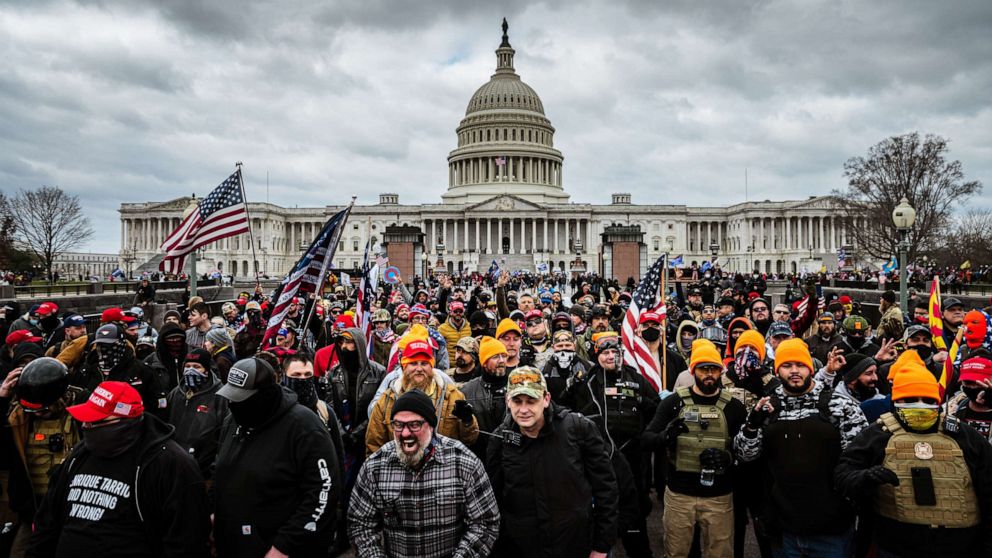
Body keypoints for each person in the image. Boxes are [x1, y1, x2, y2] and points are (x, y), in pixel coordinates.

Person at [29, 381, 211, 557]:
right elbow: (48, 521)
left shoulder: (170, 463)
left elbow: (187, 541)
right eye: (85, 420)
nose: (85, 426)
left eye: (95, 421)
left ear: (125, 422)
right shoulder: (80, 454)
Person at [834, 359, 992, 557]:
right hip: (896, 547)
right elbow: (843, 476)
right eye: (909, 400)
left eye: (928, 401)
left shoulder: (965, 436)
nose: (919, 406)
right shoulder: (877, 435)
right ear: (896, 401)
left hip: (960, 548)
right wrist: (865, 478)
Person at [735, 338, 868, 557]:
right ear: (778, 371)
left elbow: (857, 462)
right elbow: (745, 455)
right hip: (784, 529)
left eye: (800, 365)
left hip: (831, 530)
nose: (794, 371)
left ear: (810, 367)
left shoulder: (840, 406)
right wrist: (752, 425)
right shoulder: (767, 407)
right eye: (787, 366)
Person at [348, 389, 501, 558]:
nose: (405, 433)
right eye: (398, 425)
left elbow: (485, 522)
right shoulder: (375, 467)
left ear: (431, 425)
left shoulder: (463, 462)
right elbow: (360, 525)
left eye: (414, 424)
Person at [213, 357, 340, 557]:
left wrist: (284, 546)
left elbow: (323, 491)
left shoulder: (304, 427)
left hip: (280, 549)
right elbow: (223, 469)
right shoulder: (233, 420)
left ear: (264, 395)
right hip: (234, 543)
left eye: (242, 398)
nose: (234, 404)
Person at [486, 367, 618, 557]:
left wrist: (601, 547)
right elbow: (495, 500)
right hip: (523, 547)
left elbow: (606, 490)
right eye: (517, 401)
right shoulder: (500, 440)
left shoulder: (578, 429)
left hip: (575, 545)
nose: (524, 410)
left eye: (531, 401)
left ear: (546, 399)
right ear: (508, 401)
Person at [643, 339, 746, 558]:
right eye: (703, 369)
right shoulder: (672, 403)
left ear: (721, 371)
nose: (709, 374)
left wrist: (727, 458)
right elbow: (647, 440)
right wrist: (666, 436)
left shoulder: (734, 407)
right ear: (693, 370)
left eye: (714, 369)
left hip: (719, 496)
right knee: (676, 551)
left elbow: (747, 449)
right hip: (680, 494)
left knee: (720, 553)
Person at [0, 357, 84, 556]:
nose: (37, 414)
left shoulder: (81, 412)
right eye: (32, 410)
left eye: (43, 410)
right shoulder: (18, 418)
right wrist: (1, 400)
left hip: (73, 514)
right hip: (34, 513)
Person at [365, 339, 478, 455]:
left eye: (424, 363)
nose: (419, 369)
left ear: (432, 366)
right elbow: (374, 446)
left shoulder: (453, 397)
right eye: (413, 363)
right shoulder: (387, 400)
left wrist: (468, 421)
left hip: (443, 469)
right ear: (404, 366)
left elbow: (470, 440)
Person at [165, 348, 229, 479]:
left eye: (196, 366)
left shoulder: (220, 396)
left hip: (203, 469)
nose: (190, 370)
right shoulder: (176, 393)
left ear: (206, 369)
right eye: (187, 366)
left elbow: (224, 433)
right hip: (174, 464)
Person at [86, 324, 165, 419]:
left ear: (122, 344)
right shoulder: (88, 370)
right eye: (101, 345)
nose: (105, 350)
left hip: (132, 426)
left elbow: (157, 406)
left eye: (111, 345)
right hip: (96, 426)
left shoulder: (142, 371)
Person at [460, 336, 509, 459]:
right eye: (495, 357)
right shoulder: (467, 391)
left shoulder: (518, 385)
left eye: (504, 356)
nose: (501, 360)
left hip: (511, 457)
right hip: (479, 456)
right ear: (484, 362)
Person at [438, 300, 471, 368]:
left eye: (460, 311)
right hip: (449, 366)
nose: (458, 313)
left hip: (466, 364)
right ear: (450, 312)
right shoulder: (442, 328)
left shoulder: (469, 327)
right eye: (455, 311)